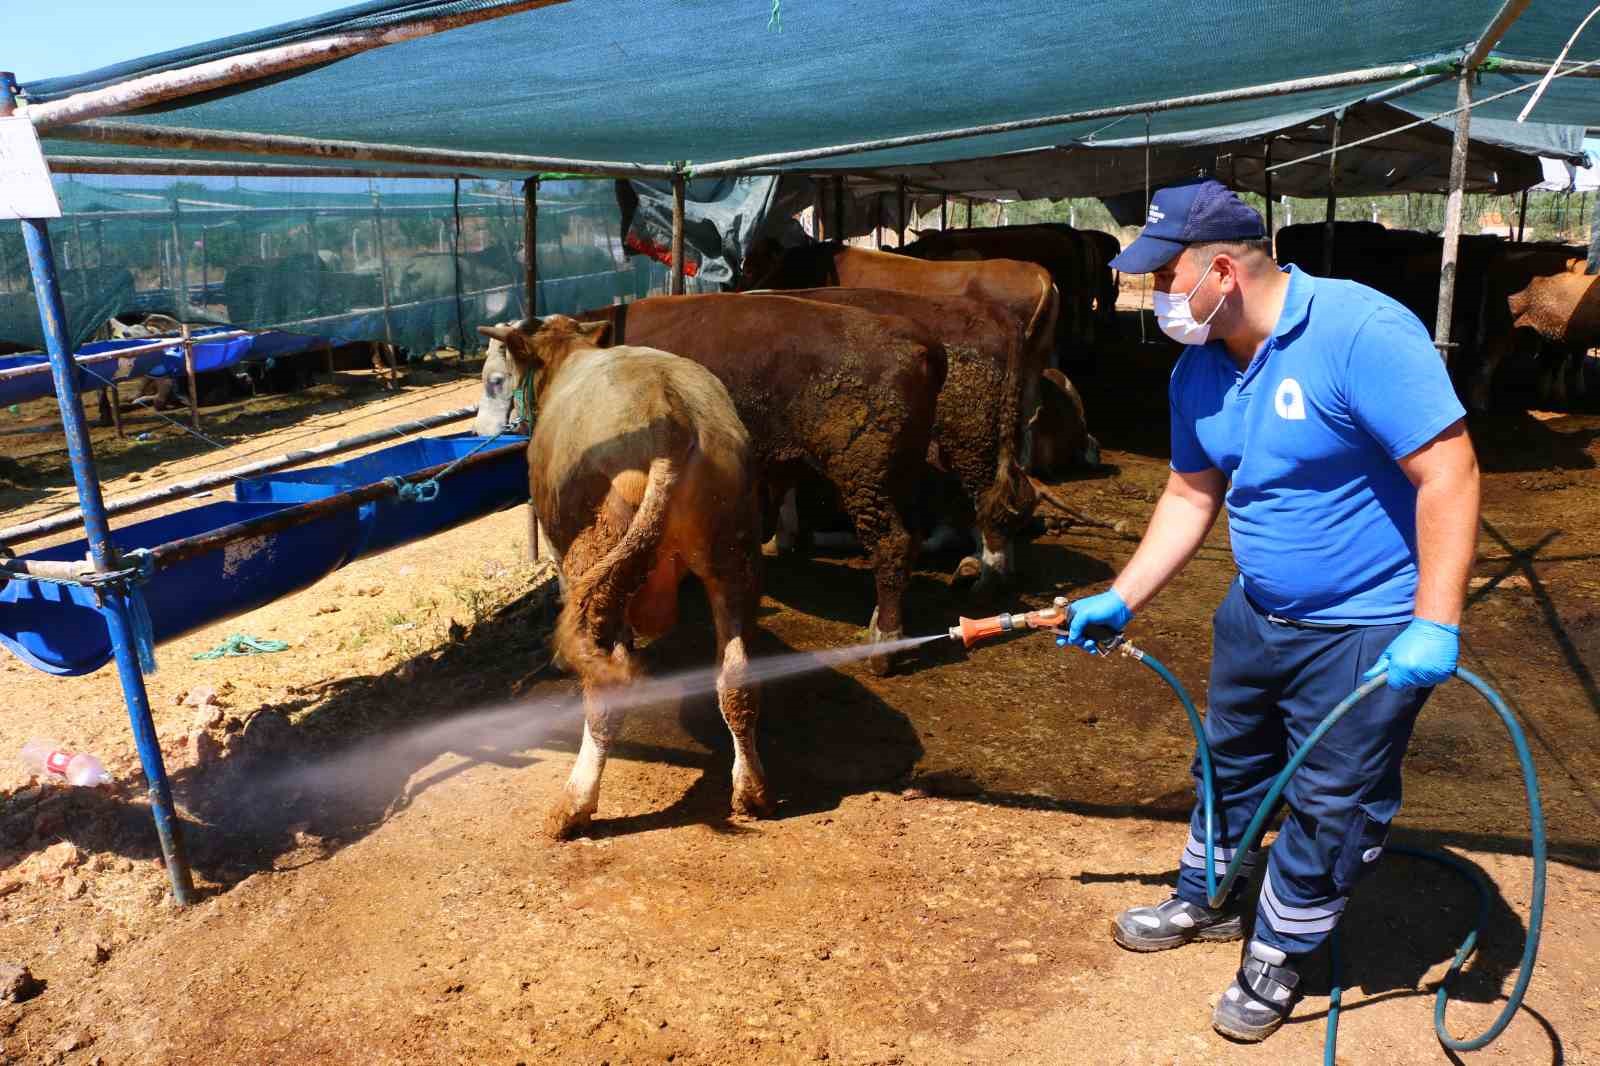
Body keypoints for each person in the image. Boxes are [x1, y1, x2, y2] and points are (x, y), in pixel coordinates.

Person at [1065, 179, 1479, 1042]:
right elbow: (1189, 491)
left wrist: (1434, 621)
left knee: (1332, 802)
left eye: (1163, 277)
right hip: (1255, 615)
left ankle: (1281, 950)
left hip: (1364, 628)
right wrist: (1122, 594)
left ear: (1221, 269)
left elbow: (1449, 471)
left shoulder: (1361, 332)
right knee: (1229, 763)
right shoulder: (1198, 368)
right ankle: (1208, 897)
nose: (1156, 299)